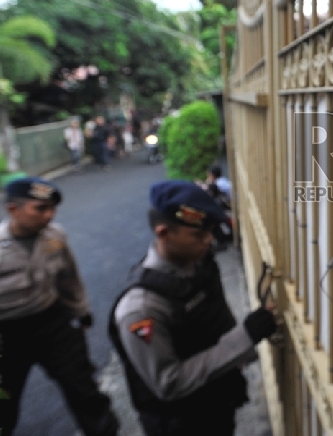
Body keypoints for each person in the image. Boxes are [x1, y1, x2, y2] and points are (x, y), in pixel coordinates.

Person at [109, 181, 276, 436]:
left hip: (216, 403)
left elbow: (215, 313)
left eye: (210, 231)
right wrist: (244, 338)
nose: (209, 240)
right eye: (198, 235)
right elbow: (168, 382)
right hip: (183, 424)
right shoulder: (142, 309)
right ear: (164, 233)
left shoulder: (200, 263)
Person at [0, 177, 119, 436]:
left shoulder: (55, 237)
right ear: (12, 209)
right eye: (40, 209)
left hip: (51, 322)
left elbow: (69, 278)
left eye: (52, 208)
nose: (49, 215)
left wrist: (81, 312)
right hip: (1, 335)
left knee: (84, 389)